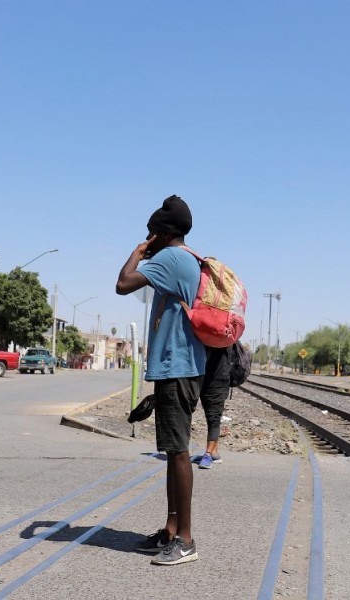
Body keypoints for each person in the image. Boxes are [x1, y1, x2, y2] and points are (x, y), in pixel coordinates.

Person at [116, 194, 206, 566]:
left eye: (151, 231)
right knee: (172, 449)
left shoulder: (169, 257)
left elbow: (123, 284)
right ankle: (171, 530)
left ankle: (185, 540)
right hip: (182, 365)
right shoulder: (186, 258)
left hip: (177, 366)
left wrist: (139, 250)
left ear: (160, 232)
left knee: (179, 450)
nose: (147, 236)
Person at [193, 346, 234, 469]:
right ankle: (214, 453)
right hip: (202, 375)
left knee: (214, 419)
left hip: (216, 379)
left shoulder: (225, 331)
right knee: (211, 418)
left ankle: (208, 454)